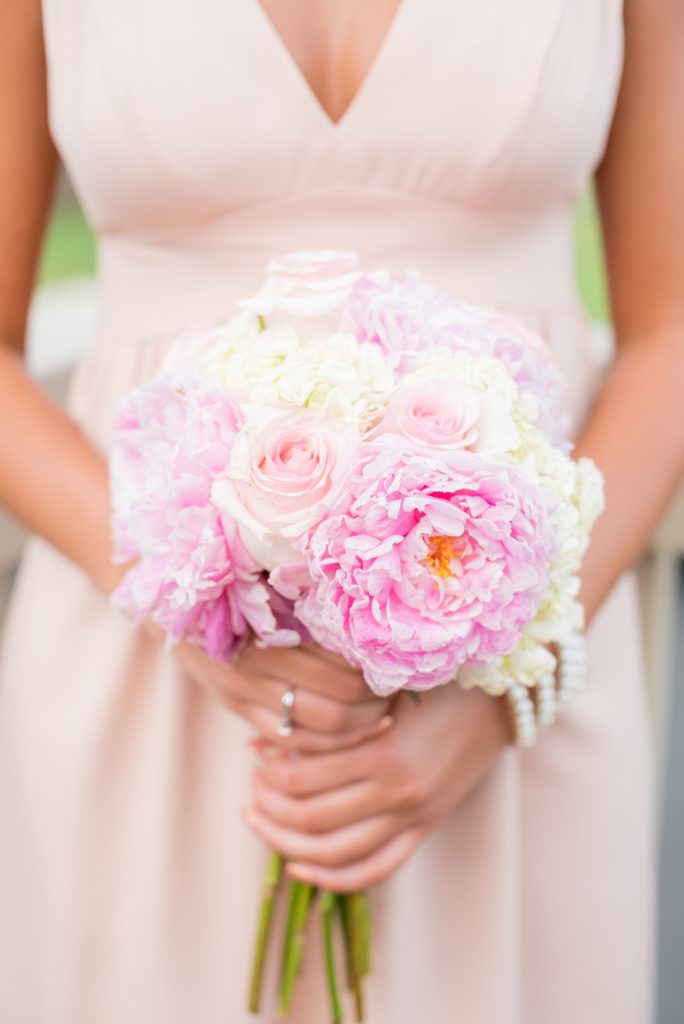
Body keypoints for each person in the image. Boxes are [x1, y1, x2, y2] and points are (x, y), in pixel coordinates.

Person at [0, 1, 681, 1021]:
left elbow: (671, 335)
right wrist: (176, 587)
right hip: (144, 668)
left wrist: (504, 684)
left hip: (526, 694)